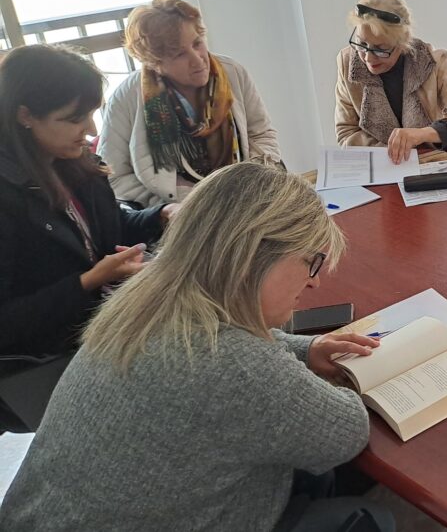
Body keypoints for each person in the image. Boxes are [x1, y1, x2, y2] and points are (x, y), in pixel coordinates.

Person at [0, 162, 393, 531]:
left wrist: (304, 350)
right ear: (252, 259)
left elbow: (221, 343)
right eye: (311, 262)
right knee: (373, 517)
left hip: (37, 517)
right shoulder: (234, 366)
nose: (315, 283)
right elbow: (347, 431)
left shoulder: (144, 297)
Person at [0, 45, 173, 431]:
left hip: (109, 328)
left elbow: (105, 232)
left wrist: (158, 217)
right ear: (24, 115)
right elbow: (7, 323)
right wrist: (90, 281)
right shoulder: (7, 197)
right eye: (74, 118)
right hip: (51, 362)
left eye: (92, 114)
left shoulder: (78, 165)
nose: (91, 131)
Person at [98, 0, 281, 207]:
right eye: (179, 54)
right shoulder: (126, 97)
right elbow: (114, 176)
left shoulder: (233, 72)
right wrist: (171, 208)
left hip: (246, 197)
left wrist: (250, 180)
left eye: (197, 44)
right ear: (155, 63)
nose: (197, 59)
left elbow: (262, 133)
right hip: (180, 213)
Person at [334, 0, 447, 162]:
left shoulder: (434, 63)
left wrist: (424, 134)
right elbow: (346, 133)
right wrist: (395, 151)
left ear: (402, 43)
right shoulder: (348, 63)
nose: (368, 58)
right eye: (361, 44)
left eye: (381, 49)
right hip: (388, 168)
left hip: (442, 162)